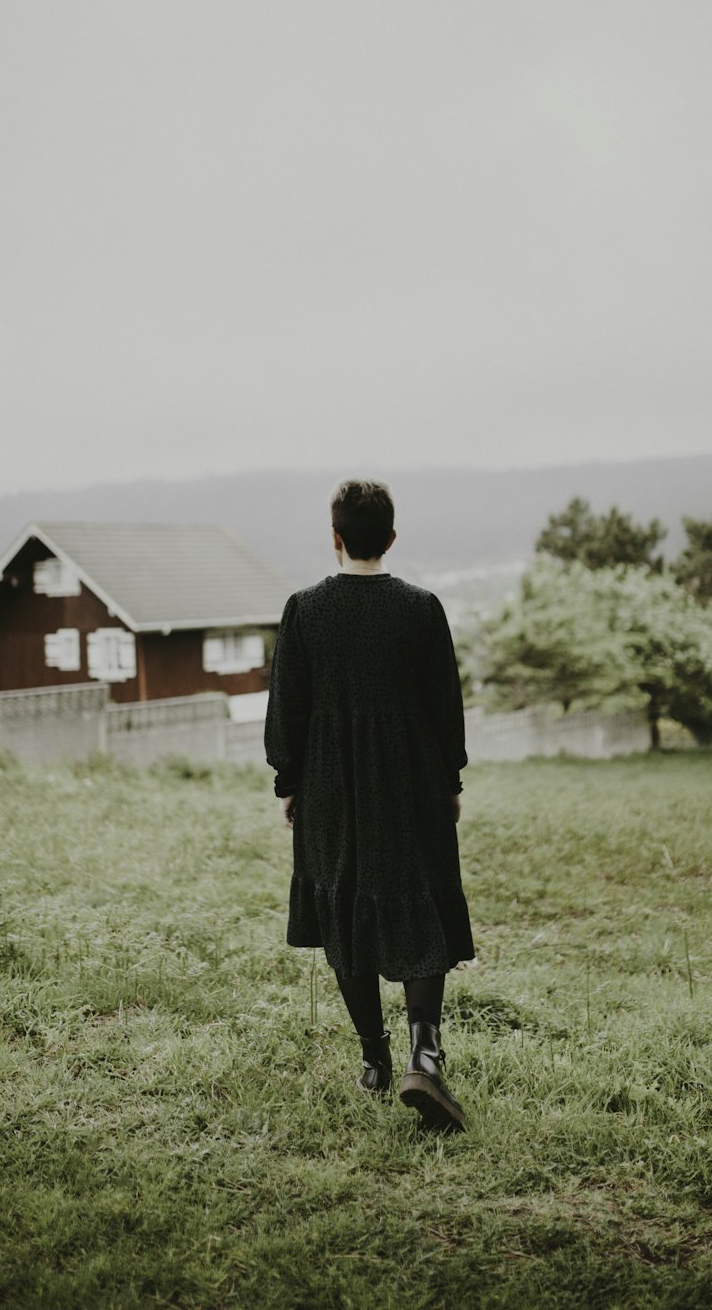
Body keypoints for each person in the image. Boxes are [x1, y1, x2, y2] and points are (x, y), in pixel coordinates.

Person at [264, 478, 474, 1131]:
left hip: (331, 783)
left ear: (336, 538)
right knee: (421, 899)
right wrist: (451, 782)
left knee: (343, 903)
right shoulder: (422, 608)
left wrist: (289, 782)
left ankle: (375, 1062)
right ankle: (425, 1056)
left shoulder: (304, 609)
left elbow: (287, 709)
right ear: (389, 537)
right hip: (411, 781)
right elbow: (446, 707)